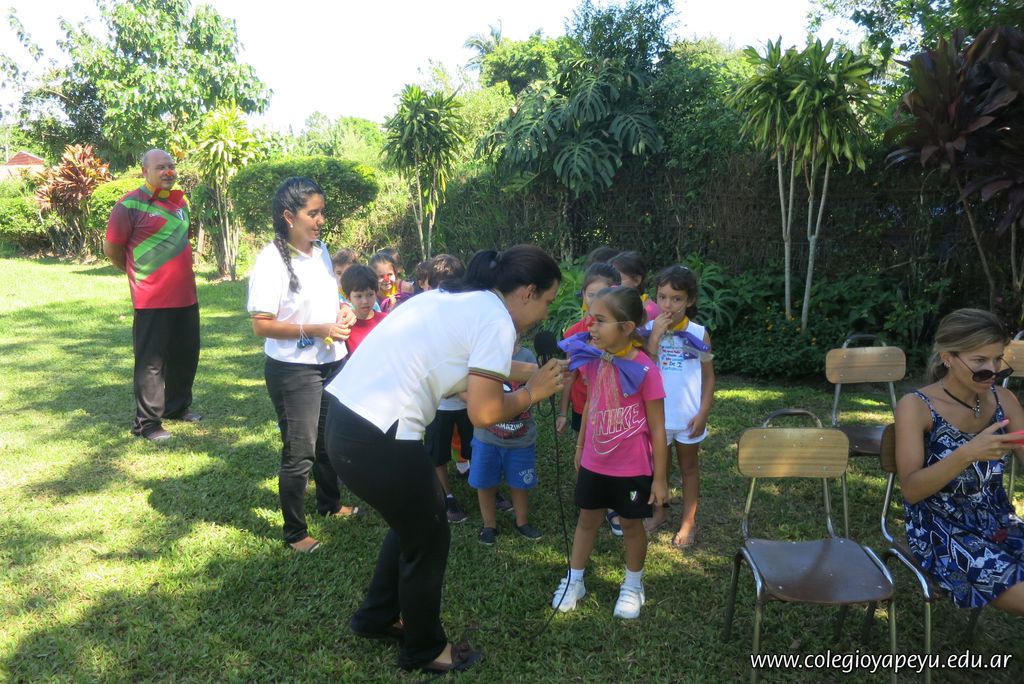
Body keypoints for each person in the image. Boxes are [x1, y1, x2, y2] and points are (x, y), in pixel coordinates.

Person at [324, 245, 568, 674]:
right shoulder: (496, 320)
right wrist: (533, 393)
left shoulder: (458, 297)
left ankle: (376, 617)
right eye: (547, 300)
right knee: (430, 535)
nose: (545, 313)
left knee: (415, 523)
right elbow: (485, 412)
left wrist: (529, 373)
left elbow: (468, 363)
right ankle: (424, 649)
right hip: (381, 432)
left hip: (348, 420)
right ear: (528, 292)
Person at [246, 177, 359, 553]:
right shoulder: (271, 261)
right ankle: (295, 533)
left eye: (322, 212)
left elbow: (330, 296)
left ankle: (330, 504)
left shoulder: (321, 250)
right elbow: (261, 324)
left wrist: (344, 309)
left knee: (328, 440)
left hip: (331, 361)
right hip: (295, 370)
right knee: (300, 451)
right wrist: (317, 328)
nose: (320, 220)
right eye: (313, 213)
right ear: (288, 216)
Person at [894, 308, 1024, 615]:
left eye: (997, 360)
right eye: (979, 361)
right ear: (947, 357)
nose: (992, 371)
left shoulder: (1004, 400)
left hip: (999, 522)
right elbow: (911, 490)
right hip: (941, 529)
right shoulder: (916, 406)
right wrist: (968, 452)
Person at [552, 285, 669, 620]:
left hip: (632, 468)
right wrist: (580, 445)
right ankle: (575, 580)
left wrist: (660, 479)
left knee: (631, 525)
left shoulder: (646, 370)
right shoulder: (594, 360)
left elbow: (658, 429)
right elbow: (591, 403)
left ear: (627, 327)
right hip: (595, 462)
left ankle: (633, 584)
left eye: (600, 320)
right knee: (586, 520)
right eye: (590, 318)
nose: (591, 326)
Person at [103, 149, 201, 442]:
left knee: (186, 356)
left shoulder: (180, 202)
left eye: (171, 166)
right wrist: (137, 273)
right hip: (152, 299)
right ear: (145, 171)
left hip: (186, 296)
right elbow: (112, 249)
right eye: (161, 167)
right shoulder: (128, 205)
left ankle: (177, 407)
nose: (169, 171)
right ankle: (146, 424)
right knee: (151, 363)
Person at [642, 265, 715, 549]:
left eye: (676, 299)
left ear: (690, 300)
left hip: (687, 417)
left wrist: (703, 412)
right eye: (662, 297)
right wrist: (654, 338)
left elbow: (708, 377)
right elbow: (644, 371)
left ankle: (688, 522)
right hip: (657, 417)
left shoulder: (699, 333)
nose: (668, 305)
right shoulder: (648, 331)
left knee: (689, 468)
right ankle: (659, 511)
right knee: (658, 468)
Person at [556, 263, 624, 535]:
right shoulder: (574, 333)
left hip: (613, 408)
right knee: (585, 452)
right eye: (590, 294)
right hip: (582, 406)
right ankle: (590, 498)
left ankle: (613, 505)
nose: (595, 301)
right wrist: (562, 411)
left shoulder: (622, 331)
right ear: (583, 294)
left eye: (602, 294)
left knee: (613, 453)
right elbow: (569, 374)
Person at [470, 338, 542, 545]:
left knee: (520, 484)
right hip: (486, 438)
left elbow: (537, 391)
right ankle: (489, 525)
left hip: (520, 440)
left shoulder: (527, 358)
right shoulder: (483, 356)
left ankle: (522, 522)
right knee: (485, 483)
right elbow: (468, 390)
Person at [341, 264, 386, 356]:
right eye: (359, 296)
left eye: (370, 295)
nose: (365, 301)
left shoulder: (385, 320)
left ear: (376, 293)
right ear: (348, 297)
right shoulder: (345, 326)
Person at [610, 250, 659, 322]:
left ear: (636, 280)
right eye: (610, 282)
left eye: (618, 280)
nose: (611, 286)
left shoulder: (651, 310)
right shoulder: (609, 304)